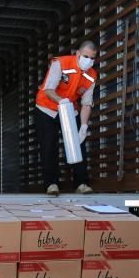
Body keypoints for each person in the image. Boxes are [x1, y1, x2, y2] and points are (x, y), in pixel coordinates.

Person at [35, 40, 97, 196]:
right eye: (85, 56)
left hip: (69, 110)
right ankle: (51, 184)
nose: (88, 61)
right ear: (77, 53)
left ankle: (81, 183)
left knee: (78, 144)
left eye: (92, 58)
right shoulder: (61, 63)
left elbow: (86, 103)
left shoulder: (91, 76)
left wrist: (83, 126)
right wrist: (60, 101)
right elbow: (48, 89)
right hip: (47, 108)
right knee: (49, 145)